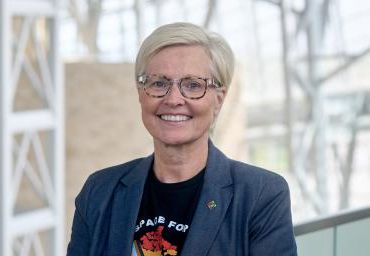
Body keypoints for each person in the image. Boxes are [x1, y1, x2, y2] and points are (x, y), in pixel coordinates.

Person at [67, 22, 297, 256]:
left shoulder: (261, 195)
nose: (174, 98)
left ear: (219, 99)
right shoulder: (100, 192)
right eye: (158, 83)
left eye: (193, 85)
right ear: (140, 93)